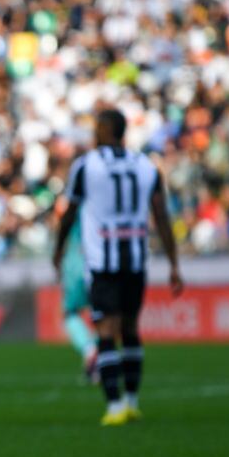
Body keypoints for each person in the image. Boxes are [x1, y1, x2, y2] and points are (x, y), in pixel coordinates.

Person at [53, 109, 183, 426]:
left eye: (96, 126)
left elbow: (70, 211)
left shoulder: (86, 165)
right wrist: (174, 264)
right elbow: (162, 217)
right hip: (135, 260)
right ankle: (133, 401)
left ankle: (114, 405)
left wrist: (58, 249)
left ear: (105, 129)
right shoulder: (145, 165)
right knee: (130, 328)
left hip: (102, 262)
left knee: (106, 331)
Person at [56, 199, 98, 382]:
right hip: (98, 265)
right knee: (104, 315)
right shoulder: (97, 207)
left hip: (74, 264)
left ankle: (89, 349)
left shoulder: (70, 206)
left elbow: (62, 216)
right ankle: (98, 352)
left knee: (69, 313)